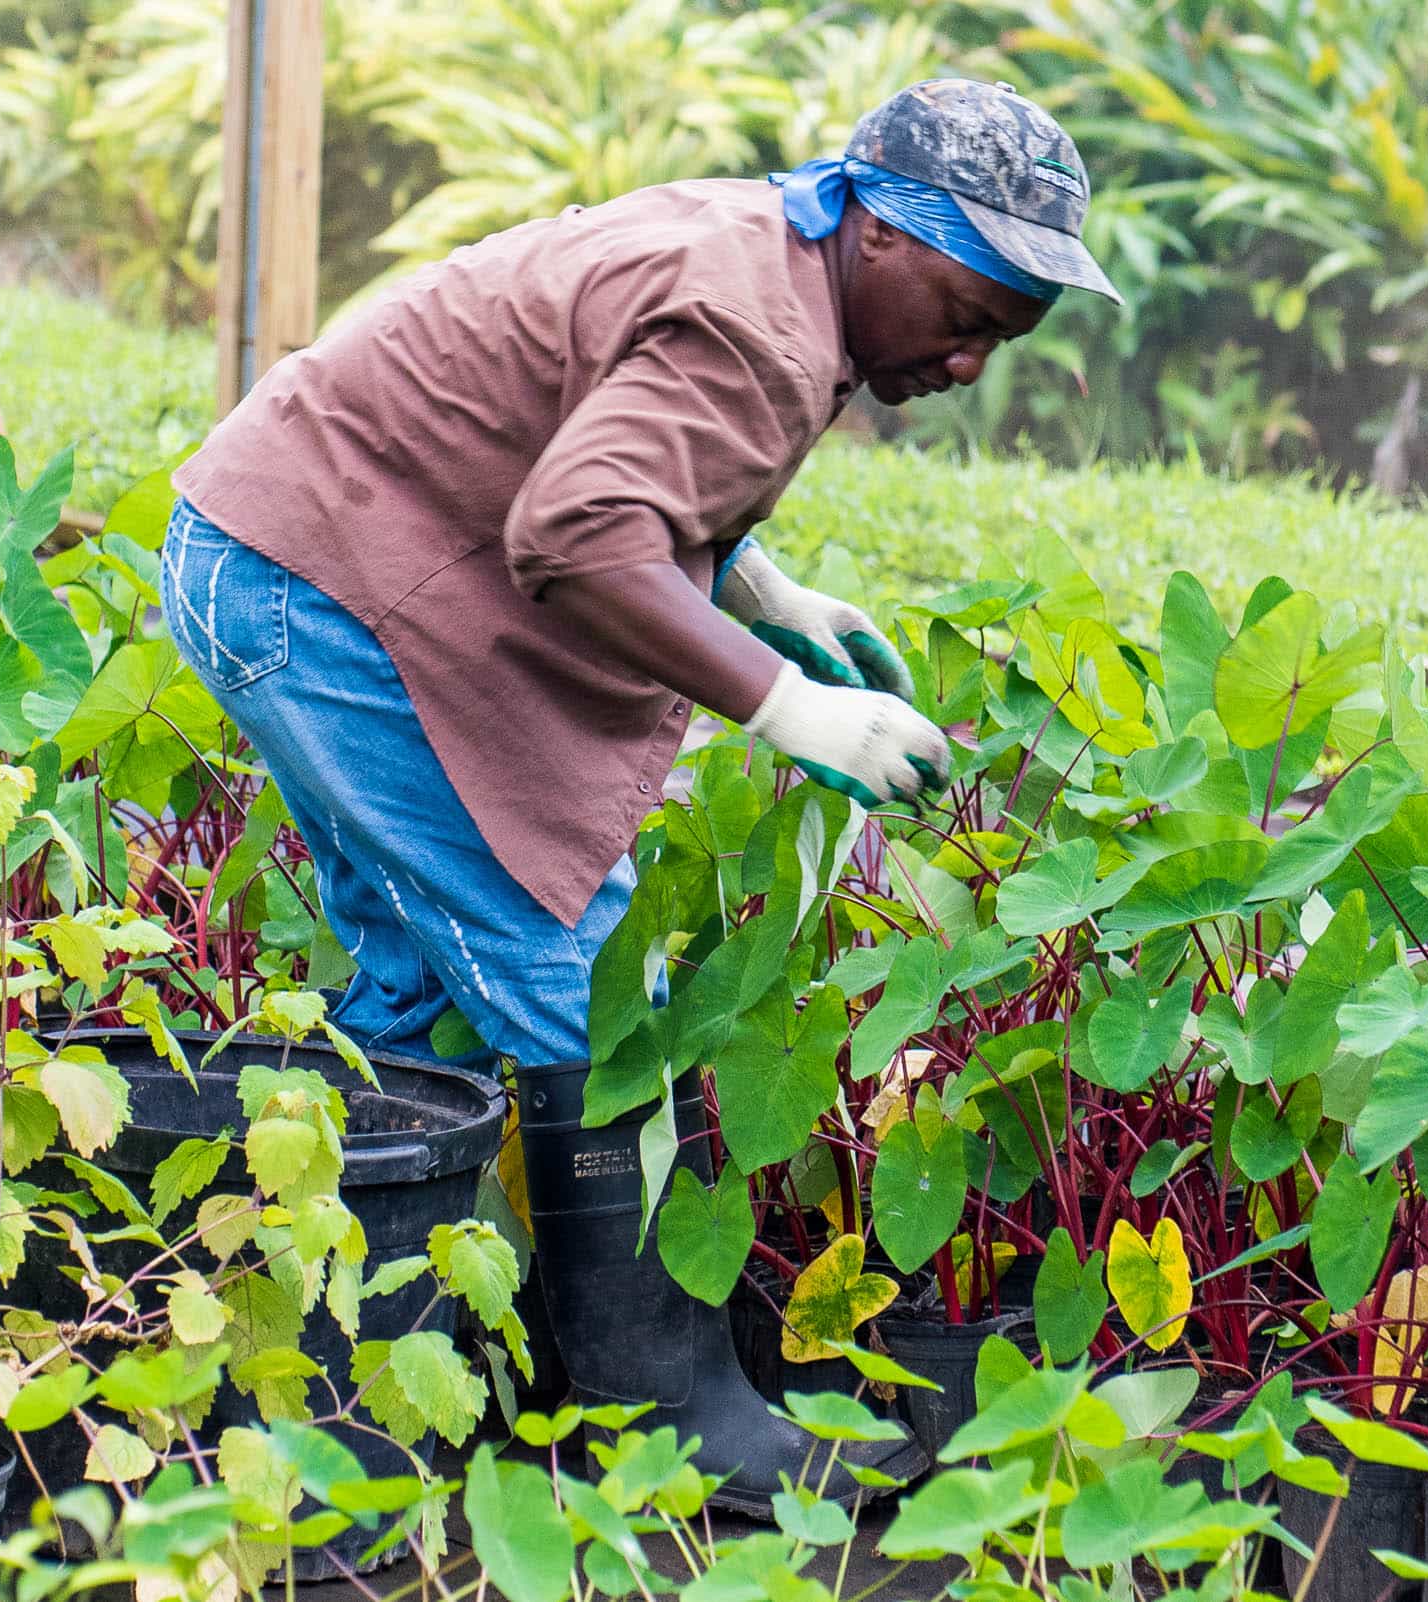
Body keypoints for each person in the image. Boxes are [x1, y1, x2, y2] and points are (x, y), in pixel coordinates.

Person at [160, 79, 1118, 1512]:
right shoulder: (761, 324)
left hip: (281, 548)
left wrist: (764, 587)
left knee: (417, 980)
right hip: (322, 585)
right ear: (884, 231)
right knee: (575, 969)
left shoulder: (773, 251)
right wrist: (793, 708)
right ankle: (647, 1399)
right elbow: (580, 532)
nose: (973, 363)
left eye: (1004, 341)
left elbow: (596, 432)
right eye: (971, 317)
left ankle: (350, 1371)